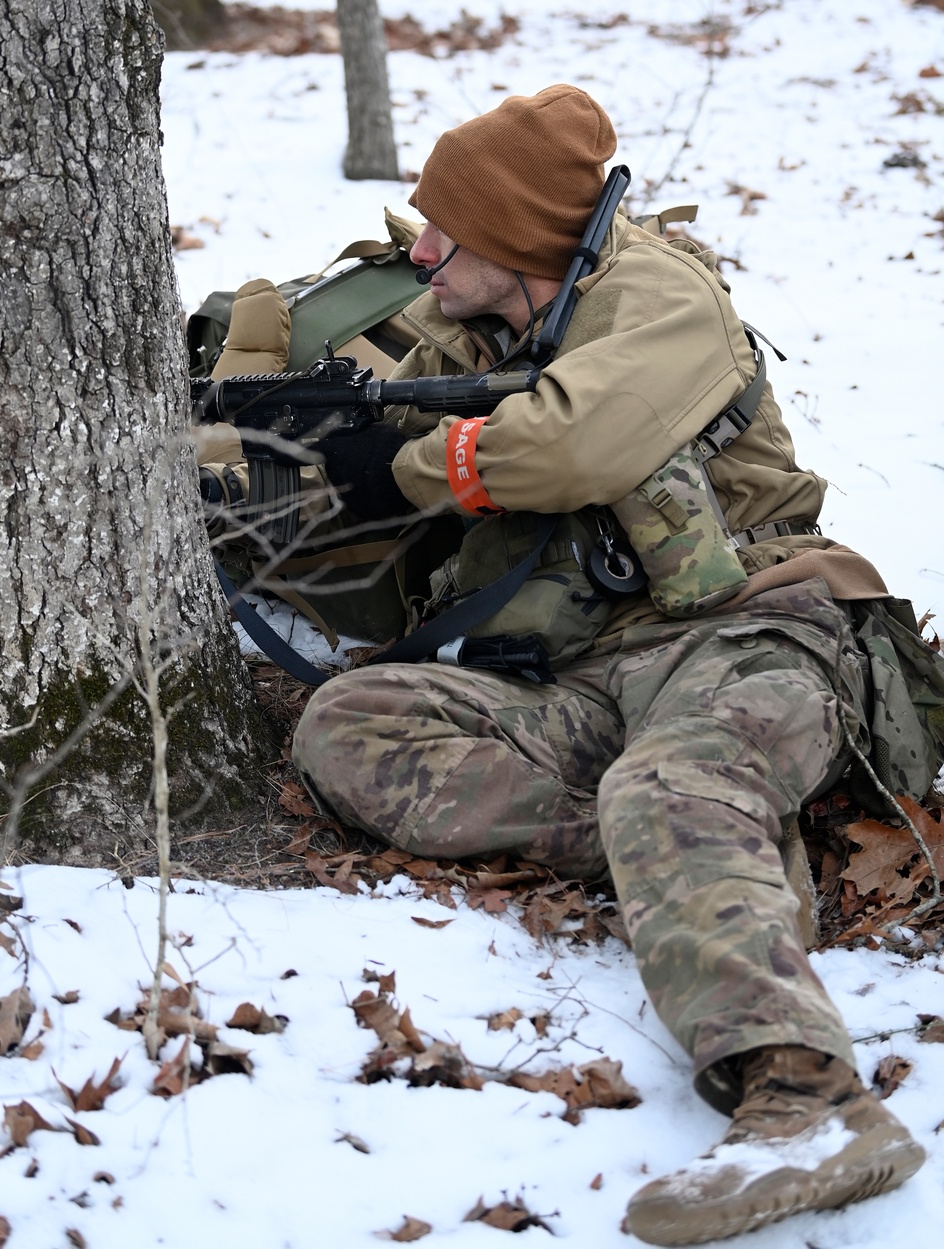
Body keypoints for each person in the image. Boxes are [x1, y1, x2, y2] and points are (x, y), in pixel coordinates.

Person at [292, 85, 933, 1244]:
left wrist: (409, 464)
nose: (420, 251)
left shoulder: (658, 295)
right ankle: (696, 839)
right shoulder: (500, 309)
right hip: (596, 664)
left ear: (518, 237)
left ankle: (809, 1100)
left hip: (763, 623)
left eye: (445, 229)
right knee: (352, 723)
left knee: (665, 781)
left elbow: (573, 440)